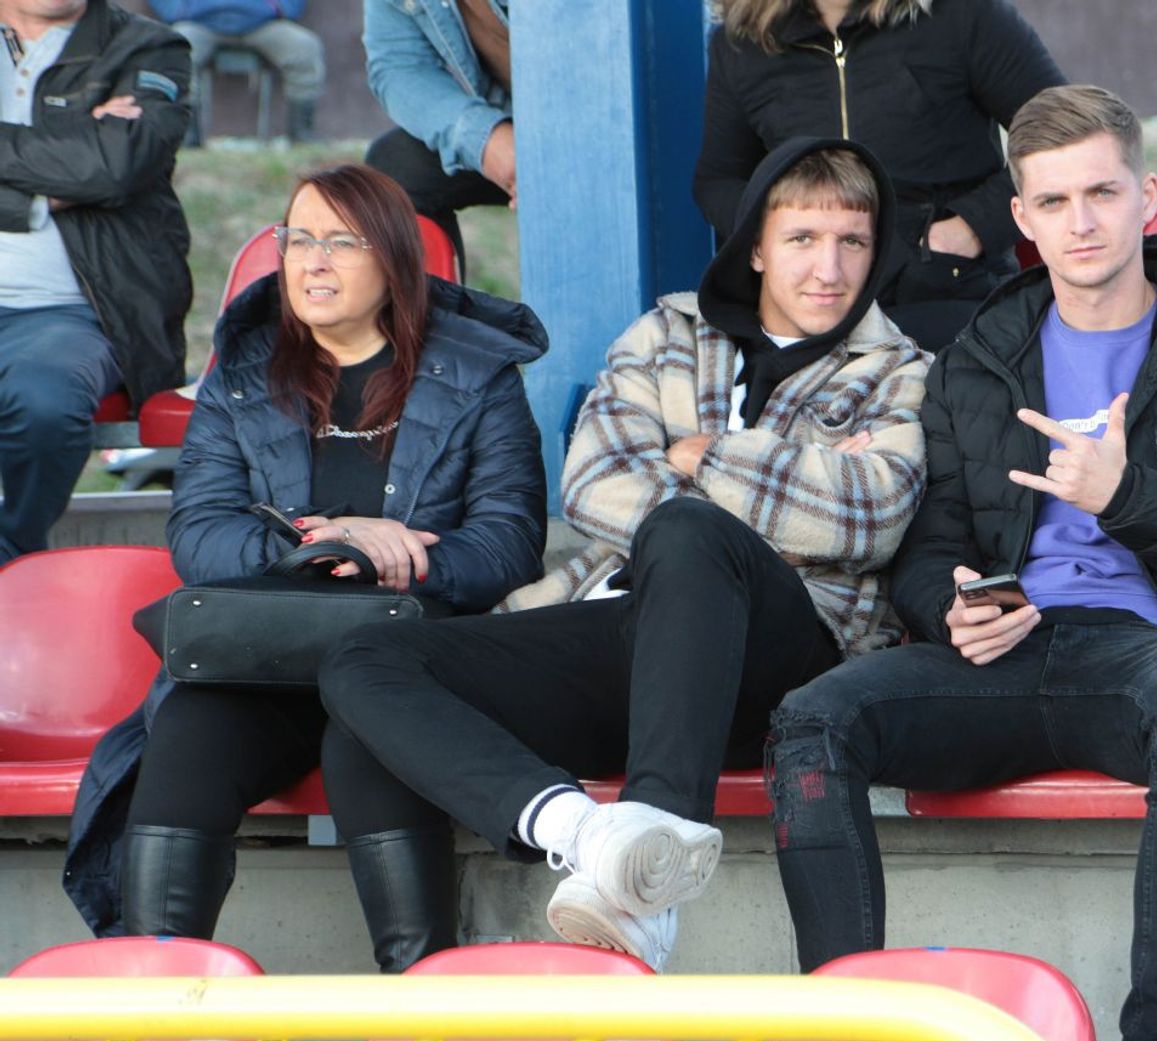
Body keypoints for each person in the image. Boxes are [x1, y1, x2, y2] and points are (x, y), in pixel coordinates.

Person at [766, 87, 1157, 1041]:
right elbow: (932, 542)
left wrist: (1127, 496)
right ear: (1021, 217)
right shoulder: (979, 360)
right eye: (1055, 201)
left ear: (1146, 196)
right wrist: (953, 604)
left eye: (1102, 193)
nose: (1082, 222)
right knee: (811, 722)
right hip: (1011, 649)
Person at [318, 137, 930, 974]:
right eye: (802, 238)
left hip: (784, 655)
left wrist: (703, 455)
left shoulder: (900, 370)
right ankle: (576, 852)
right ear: (756, 246)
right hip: (627, 624)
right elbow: (594, 485)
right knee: (365, 665)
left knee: (690, 533)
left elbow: (870, 516)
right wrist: (795, 479)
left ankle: (651, 873)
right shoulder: (666, 334)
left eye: (852, 241)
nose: (830, 268)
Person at [64, 163, 547, 980]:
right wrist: (323, 547)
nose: (312, 260)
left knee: (375, 739)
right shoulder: (242, 376)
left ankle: (417, 1021)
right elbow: (199, 535)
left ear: (392, 259)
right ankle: (157, 1013)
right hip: (269, 651)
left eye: (341, 241)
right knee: (186, 732)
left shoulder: (479, 377)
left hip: (406, 662)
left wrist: (400, 556)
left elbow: (508, 544)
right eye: (298, 239)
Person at [694, 0, 1065, 352]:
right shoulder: (743, 43)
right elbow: (719, 180)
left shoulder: (963, 14)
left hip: (949, 295)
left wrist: (967, 230)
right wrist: (783, 240)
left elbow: (1065, 141)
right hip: (815, 308)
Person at [0, 0, 190, 565]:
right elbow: (88, 161)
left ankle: (13, 552)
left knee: (44, 402)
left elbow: (113, 166)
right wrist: (54, 176)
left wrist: (96, 156)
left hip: (71, 312)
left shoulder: (145, 47)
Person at [362, 0, 512, 276]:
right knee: (395, 169)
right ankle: (435, 304)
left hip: (592, 116)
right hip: (514, 125)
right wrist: (486, 140)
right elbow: (399, 67)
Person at [147, 0, 325, 145]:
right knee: (175, 51)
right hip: (198, 23)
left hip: (263, 23)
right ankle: (188, 137)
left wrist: (281, 8)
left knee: (304, 46)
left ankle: (301, 136)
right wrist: (178, 10)